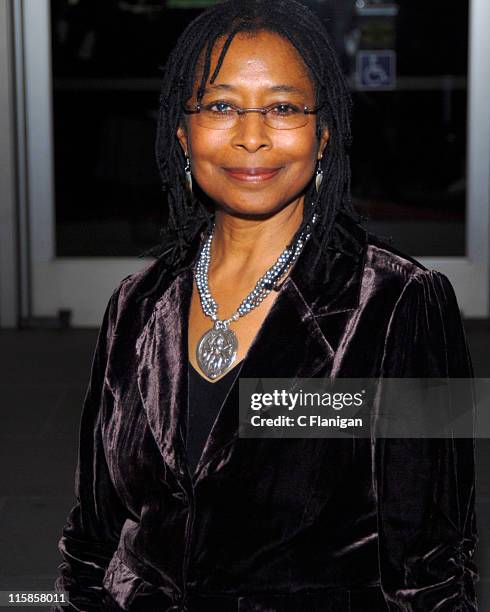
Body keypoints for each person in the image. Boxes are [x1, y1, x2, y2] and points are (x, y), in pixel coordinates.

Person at [53, 1, 479, 610]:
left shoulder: (402, 304)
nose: (251, 136)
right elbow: (93, 537)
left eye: (283, 108)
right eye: (221, 106)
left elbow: (433, 569)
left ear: (323, 132)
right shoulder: (137, 305)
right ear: (183, 131)